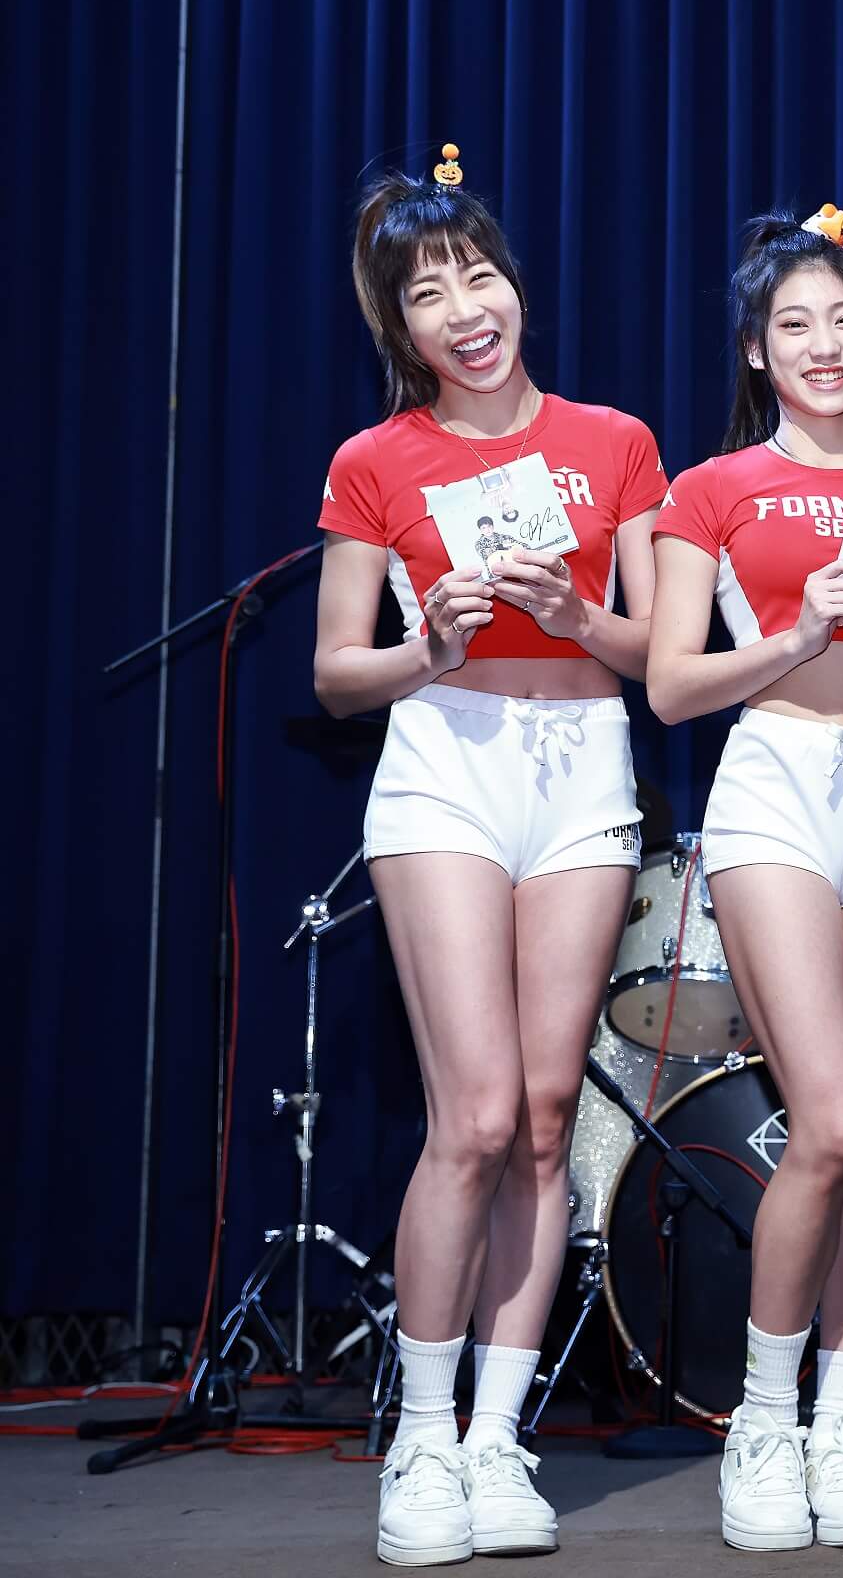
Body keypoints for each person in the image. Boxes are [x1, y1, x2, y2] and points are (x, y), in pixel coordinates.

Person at [314, 148, 666, 1566]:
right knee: (470, 1116)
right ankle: (419, 1438)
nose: (465, 311)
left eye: (478, 277)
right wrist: (428, 647)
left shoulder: (613, 442)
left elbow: (661, 657)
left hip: (582, 766)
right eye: (427, 294)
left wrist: (577, 617)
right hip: (445, 763)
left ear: (515, 285)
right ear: (400, 328)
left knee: (542, 1117)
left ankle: (497, 1441)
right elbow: (337, 671)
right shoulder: (375, 462)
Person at [647, 207, 843, 1553]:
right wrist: (798, 634)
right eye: (795, 324)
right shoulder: (709, 489)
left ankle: (839, 1434)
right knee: (828, 1121)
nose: (824, 344)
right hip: (777, 784)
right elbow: (672, 687)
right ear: (757, 349)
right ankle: (761, 1427)